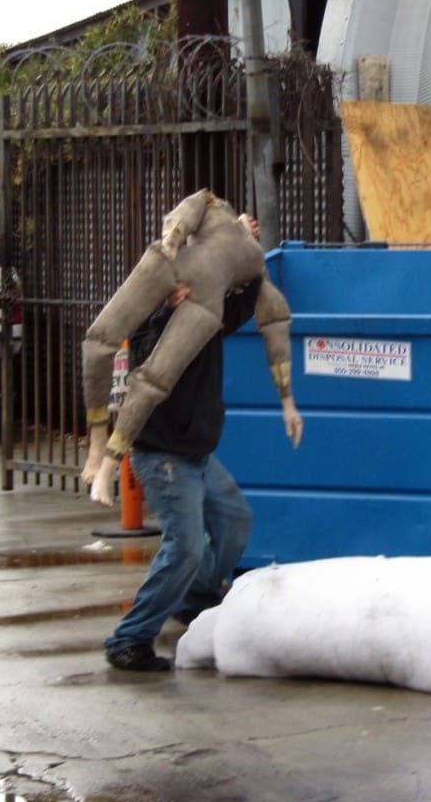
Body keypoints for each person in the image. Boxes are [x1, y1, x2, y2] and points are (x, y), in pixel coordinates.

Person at [104, 216, 303, 672]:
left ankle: (195, 598)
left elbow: (242, 304)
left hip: (197, 451)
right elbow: (150, 355)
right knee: (186, 546)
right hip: (163, 454)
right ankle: (129, 638)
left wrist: (245, 248)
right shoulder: (152, 318)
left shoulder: (210, 312)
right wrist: (169, 311)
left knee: (233, 521)